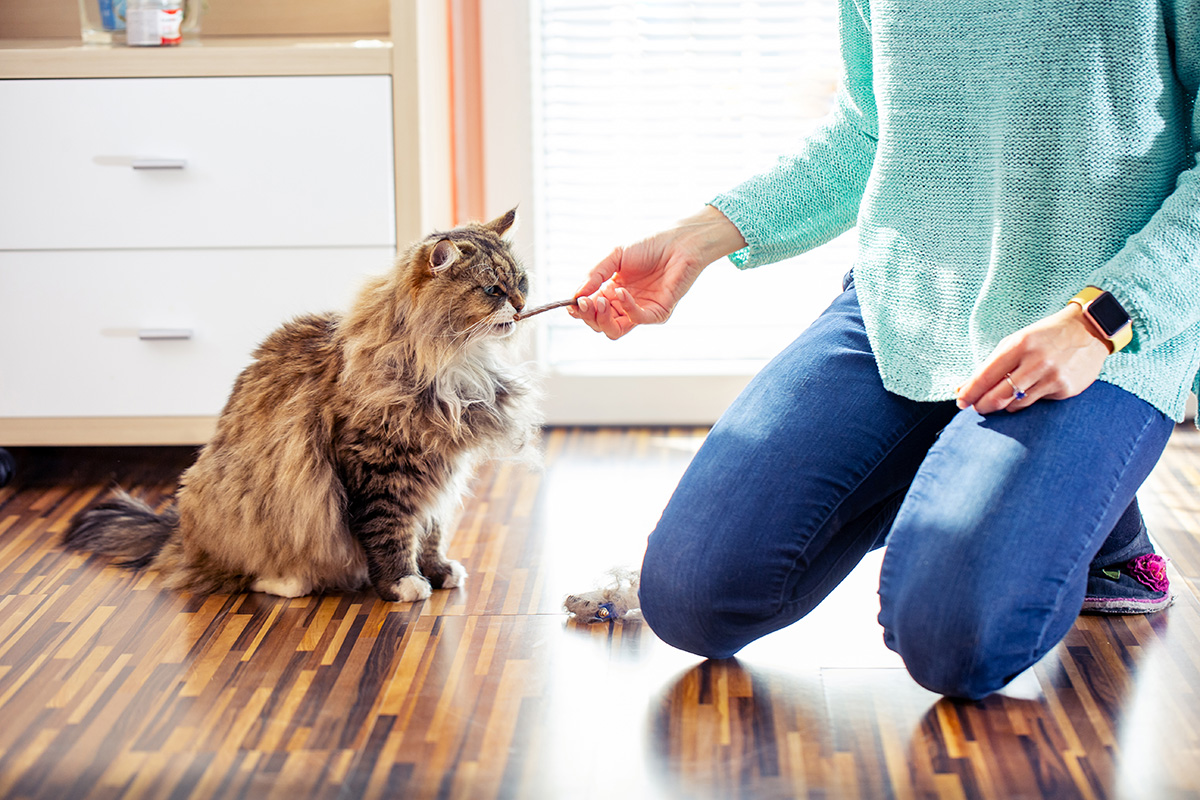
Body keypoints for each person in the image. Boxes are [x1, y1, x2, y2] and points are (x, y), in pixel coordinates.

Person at [567, 0, 1199, 700]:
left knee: (952, 635)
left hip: (1098, 329)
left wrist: (1100, 319)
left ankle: (1100, 537)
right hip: (906, 309)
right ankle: (1023, 483)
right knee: (692, 597)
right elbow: (871, 131)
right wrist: (699, 237)